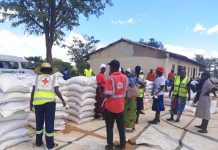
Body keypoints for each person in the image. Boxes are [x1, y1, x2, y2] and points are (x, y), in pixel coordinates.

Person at [30, 62, 66, 149]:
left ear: (41, 70)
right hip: (50, 104)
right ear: (50, 70)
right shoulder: (54, 78)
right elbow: (56, 91)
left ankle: (38, 142)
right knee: (49, 123)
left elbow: (33, 91)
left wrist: (30, 102)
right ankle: (50, 145)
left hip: (38, 104)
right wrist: (63, 100)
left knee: (39, 123)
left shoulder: (36, 78)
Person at [104, 59, 128, 150]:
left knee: (109, 127)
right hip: (121, 106)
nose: (109, 68)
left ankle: (110, 146)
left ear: (113, 67)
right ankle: (123, 145)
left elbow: (108, 94)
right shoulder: (125, 77)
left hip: (110, 107)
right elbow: (125, 91)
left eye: (110, 66)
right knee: (121, 127)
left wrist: (104, 95)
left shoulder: (110, 78)